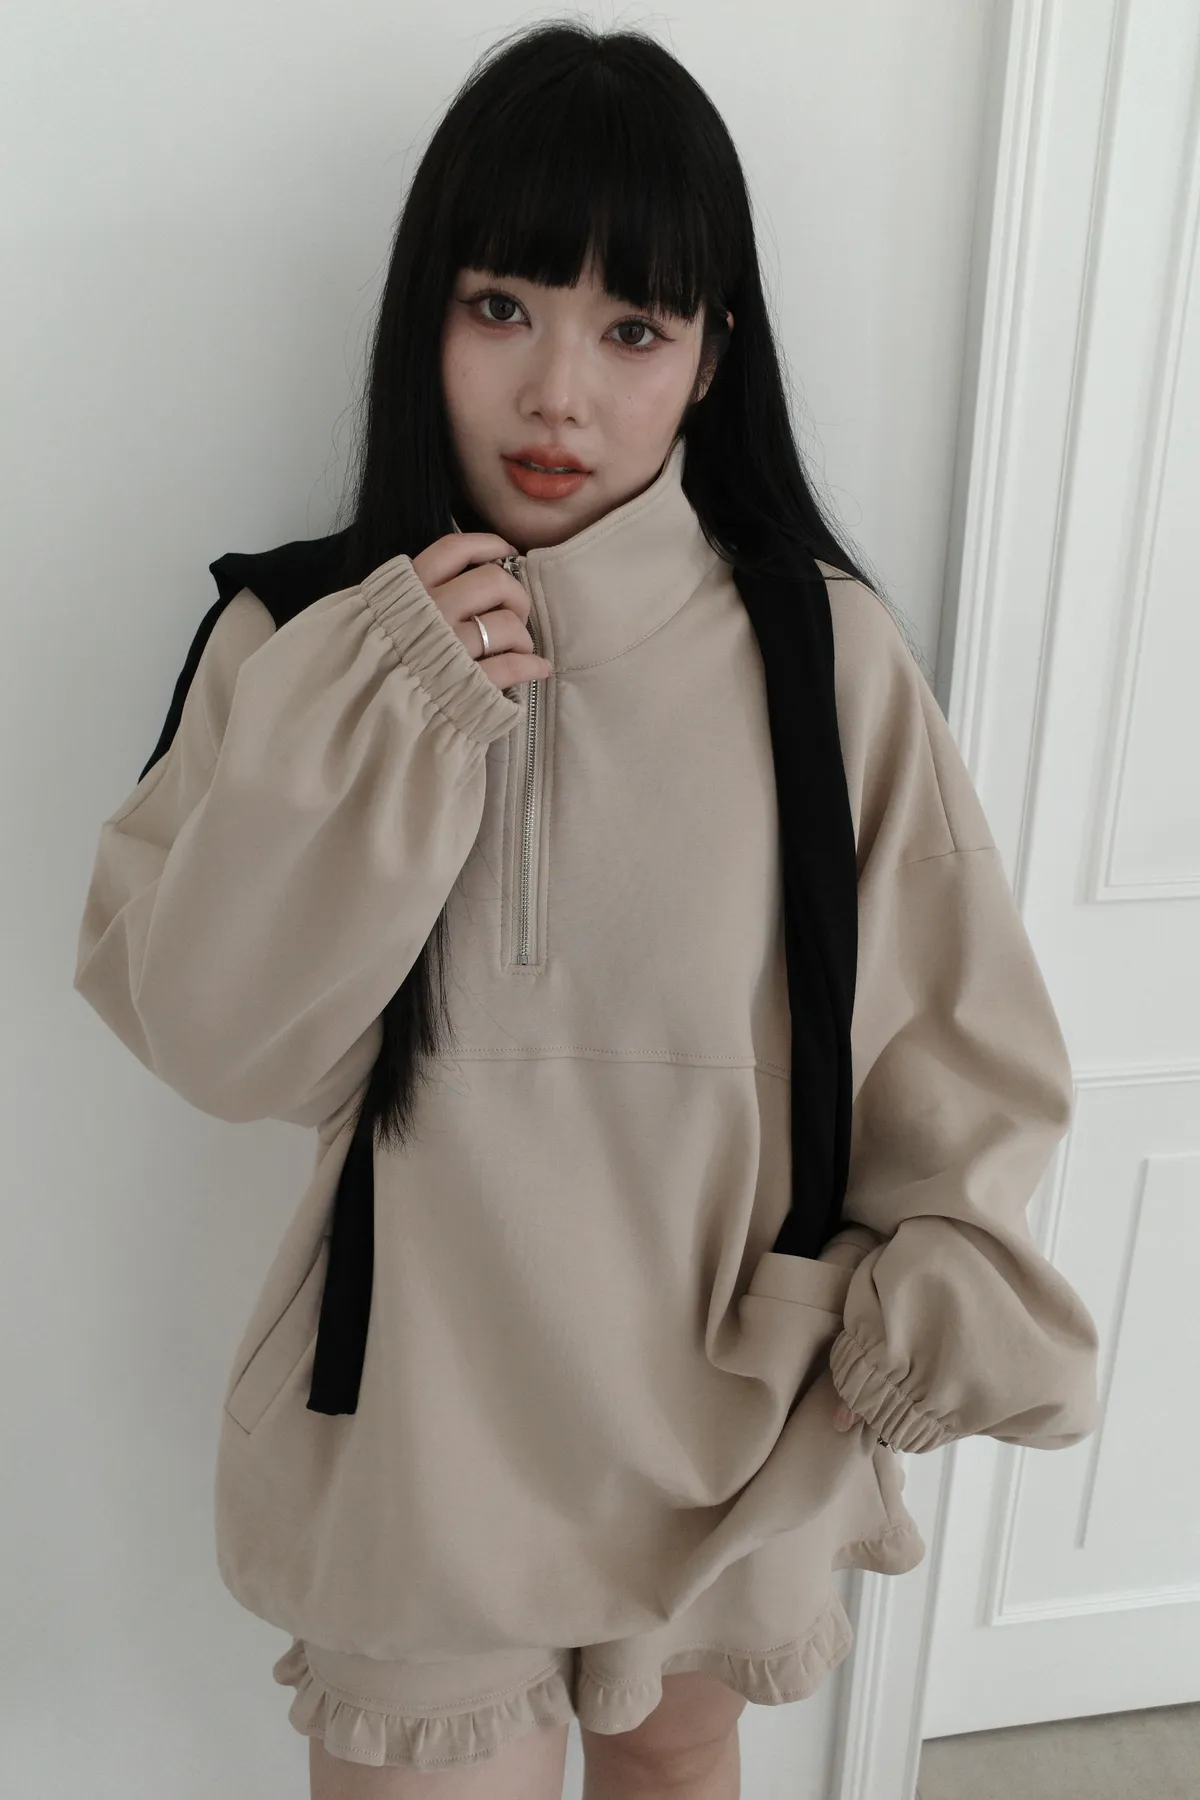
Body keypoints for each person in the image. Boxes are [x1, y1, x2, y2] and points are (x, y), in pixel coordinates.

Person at [72, 19, 1101, 1800]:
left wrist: (928, 1317)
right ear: (426, 317)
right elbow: (223, 1043)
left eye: (634, 329)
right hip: (418, 1437)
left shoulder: (822, 654)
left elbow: (955, 1034)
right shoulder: (297, 641)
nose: (559, 393)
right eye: (502, 306)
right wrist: (390, 702)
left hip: (732, 1428)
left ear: (711, 361)